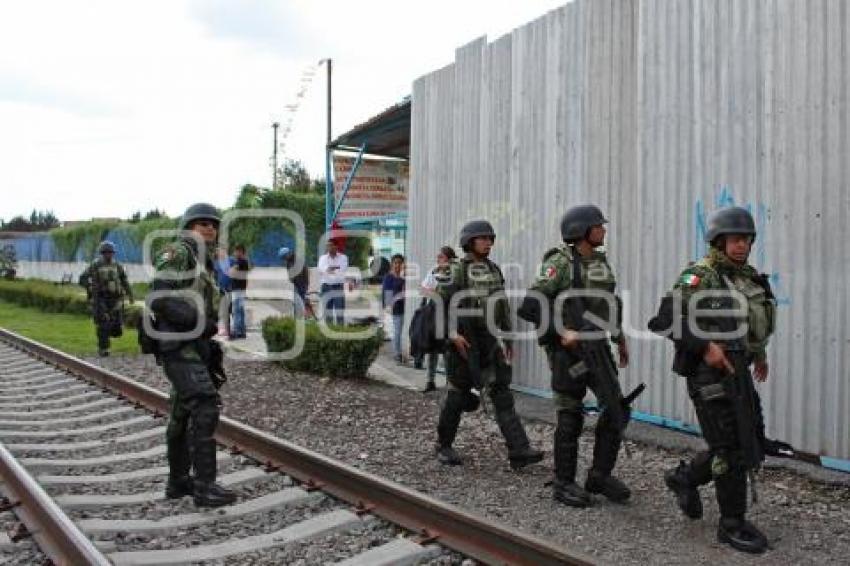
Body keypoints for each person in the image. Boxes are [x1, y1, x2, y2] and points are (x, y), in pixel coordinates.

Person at [648, 206, 776, 554]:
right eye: (735, 240)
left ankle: (684, 478)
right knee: (730, 449)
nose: (741, 246)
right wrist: (705, 347)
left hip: (738, 369)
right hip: (708, 373)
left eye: (746, 240)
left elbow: (754, 322)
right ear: (719, 241)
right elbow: (663, 318)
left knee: (745, 437)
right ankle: (731, 523)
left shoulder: (748, 278)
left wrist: (759, 354)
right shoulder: (699, 276)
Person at [521, 205, 631, 508]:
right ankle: (563, 483)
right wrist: (560, 331)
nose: (604, 230)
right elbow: (531, 305)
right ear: (582, 230)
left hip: (598, 346)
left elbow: (608, 303)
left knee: (617, 408)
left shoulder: (598, 262)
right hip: (566, 351)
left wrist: (619, 336)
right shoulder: (560, 263)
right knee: (570, 414)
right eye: (599, 226)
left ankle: (599, 475)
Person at [434, 220, 544, 470]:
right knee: (457, 394)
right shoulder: (456, 270)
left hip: (490, 340)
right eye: (482, 238)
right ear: (469, 242)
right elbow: (439, 305)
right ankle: (443, 444)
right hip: (464, 340)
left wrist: (507, 337)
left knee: (502, 394)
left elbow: (501, 304)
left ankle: (519, 450)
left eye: (490, 238)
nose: (488, 243)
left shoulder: (493, 269)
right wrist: (452, 334)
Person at [148, 202, 236, 508]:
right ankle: (204, 487)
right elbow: (158, 297)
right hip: (178, 344)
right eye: (202, 224)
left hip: (192, 346)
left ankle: (177, 483)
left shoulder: (204, 261)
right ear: (188, 228)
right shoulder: (181, 251)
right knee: (205, 404)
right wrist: (200, 323)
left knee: (181, 415)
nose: (209, 228)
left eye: (213, 224)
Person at [79, 240, 133, 357]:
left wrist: (130, 294)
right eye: (106, 253)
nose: (108, 255)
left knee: (117, 329)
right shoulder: (95, 265)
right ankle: (103, 348)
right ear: (102, 253)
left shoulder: (117, 265)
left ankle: (108, 335)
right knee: (103, 324)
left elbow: (124, 280)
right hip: (101, 299)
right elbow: (82, 278)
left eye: (110, 252)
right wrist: (90, 289)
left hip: (116, 300)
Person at [415, 246, 456, 391]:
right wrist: (434, 292)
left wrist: (434, 291)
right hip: (432, 311)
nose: (438, 259)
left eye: (441, 256)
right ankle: (430, 381)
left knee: (447, 348)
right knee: (431, 346)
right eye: (438, 256)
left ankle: (450, 382)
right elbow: (422, 289)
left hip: (448, 313)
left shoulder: (455, 272)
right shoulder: (434, 270)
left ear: (449, 259)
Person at [317, 239, 350, 326]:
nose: (329, 247)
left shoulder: (343, 257)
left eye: (331, 245)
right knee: (327, 312)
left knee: (340, 311)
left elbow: (342, 271)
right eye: (328, 245)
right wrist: (335, 269)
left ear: (336, 246)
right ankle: (329, 332)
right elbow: (322, 270)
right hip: (326, 287)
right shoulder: (322, 258)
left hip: (338, 287)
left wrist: (329, 269)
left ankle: (340, 332)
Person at [382, 254, 406, 363]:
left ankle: (399, 353)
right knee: (397, 332)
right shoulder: (389, 277)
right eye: (395, 262)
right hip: (395, 307)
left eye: (400, 263)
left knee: (399, 331)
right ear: (392, 264)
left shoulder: (403, 277)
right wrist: (388, 307)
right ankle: (397, 354)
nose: (398, 265)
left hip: (403, 306)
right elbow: (387, 294)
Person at [278, 247, 315, 319]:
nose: (284, 259)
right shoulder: (288, 262)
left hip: (303, 284)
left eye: (284, 257)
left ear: (288, 254)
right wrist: (291, 278)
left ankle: (306, 316)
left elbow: (306, 271)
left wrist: (306, 284)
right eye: (283, 258)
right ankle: (297, 318)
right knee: (297, 302)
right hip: (296, 284)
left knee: (302, 301)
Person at [227, 244, 250, 340]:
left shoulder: (240, 262)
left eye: (237, 251)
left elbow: (230, 272)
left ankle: (237, 332)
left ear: (241, 252)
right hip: (241, 288)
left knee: (236, 310)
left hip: (237, 289)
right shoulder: (244, 262)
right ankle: (242, 331)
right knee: (240, 310)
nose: (235, 253)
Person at [214, 246, 232, 336]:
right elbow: (214, 275)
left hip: (230, 289)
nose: (219, 253)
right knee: (223, 310)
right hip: (220, 290)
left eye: (220, 251)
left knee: (230, 310)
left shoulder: (230, 260)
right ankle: (224, 329)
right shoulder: (216, 263)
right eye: (217, 252)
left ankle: (229, 329)